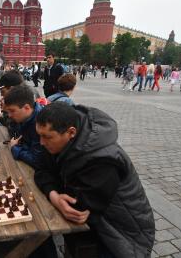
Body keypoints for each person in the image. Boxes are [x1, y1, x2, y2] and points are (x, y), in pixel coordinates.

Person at [34, 102, 155, 257]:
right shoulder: (60, 139)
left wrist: (55, 190)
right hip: (97, 223)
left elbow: (77, 209)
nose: (41, 142)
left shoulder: (103, 160)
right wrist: (54, 196)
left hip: (121, 235)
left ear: (71, 132)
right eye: (39, 135)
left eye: (47, 137)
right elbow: (41, 169)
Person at [4, 85, 44, 169]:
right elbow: (17, 137)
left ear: (26, 108)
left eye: (12, 111)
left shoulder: (40, 124)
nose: (9, 115)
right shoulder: (24, 117)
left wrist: (15, 148)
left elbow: (37, 160)